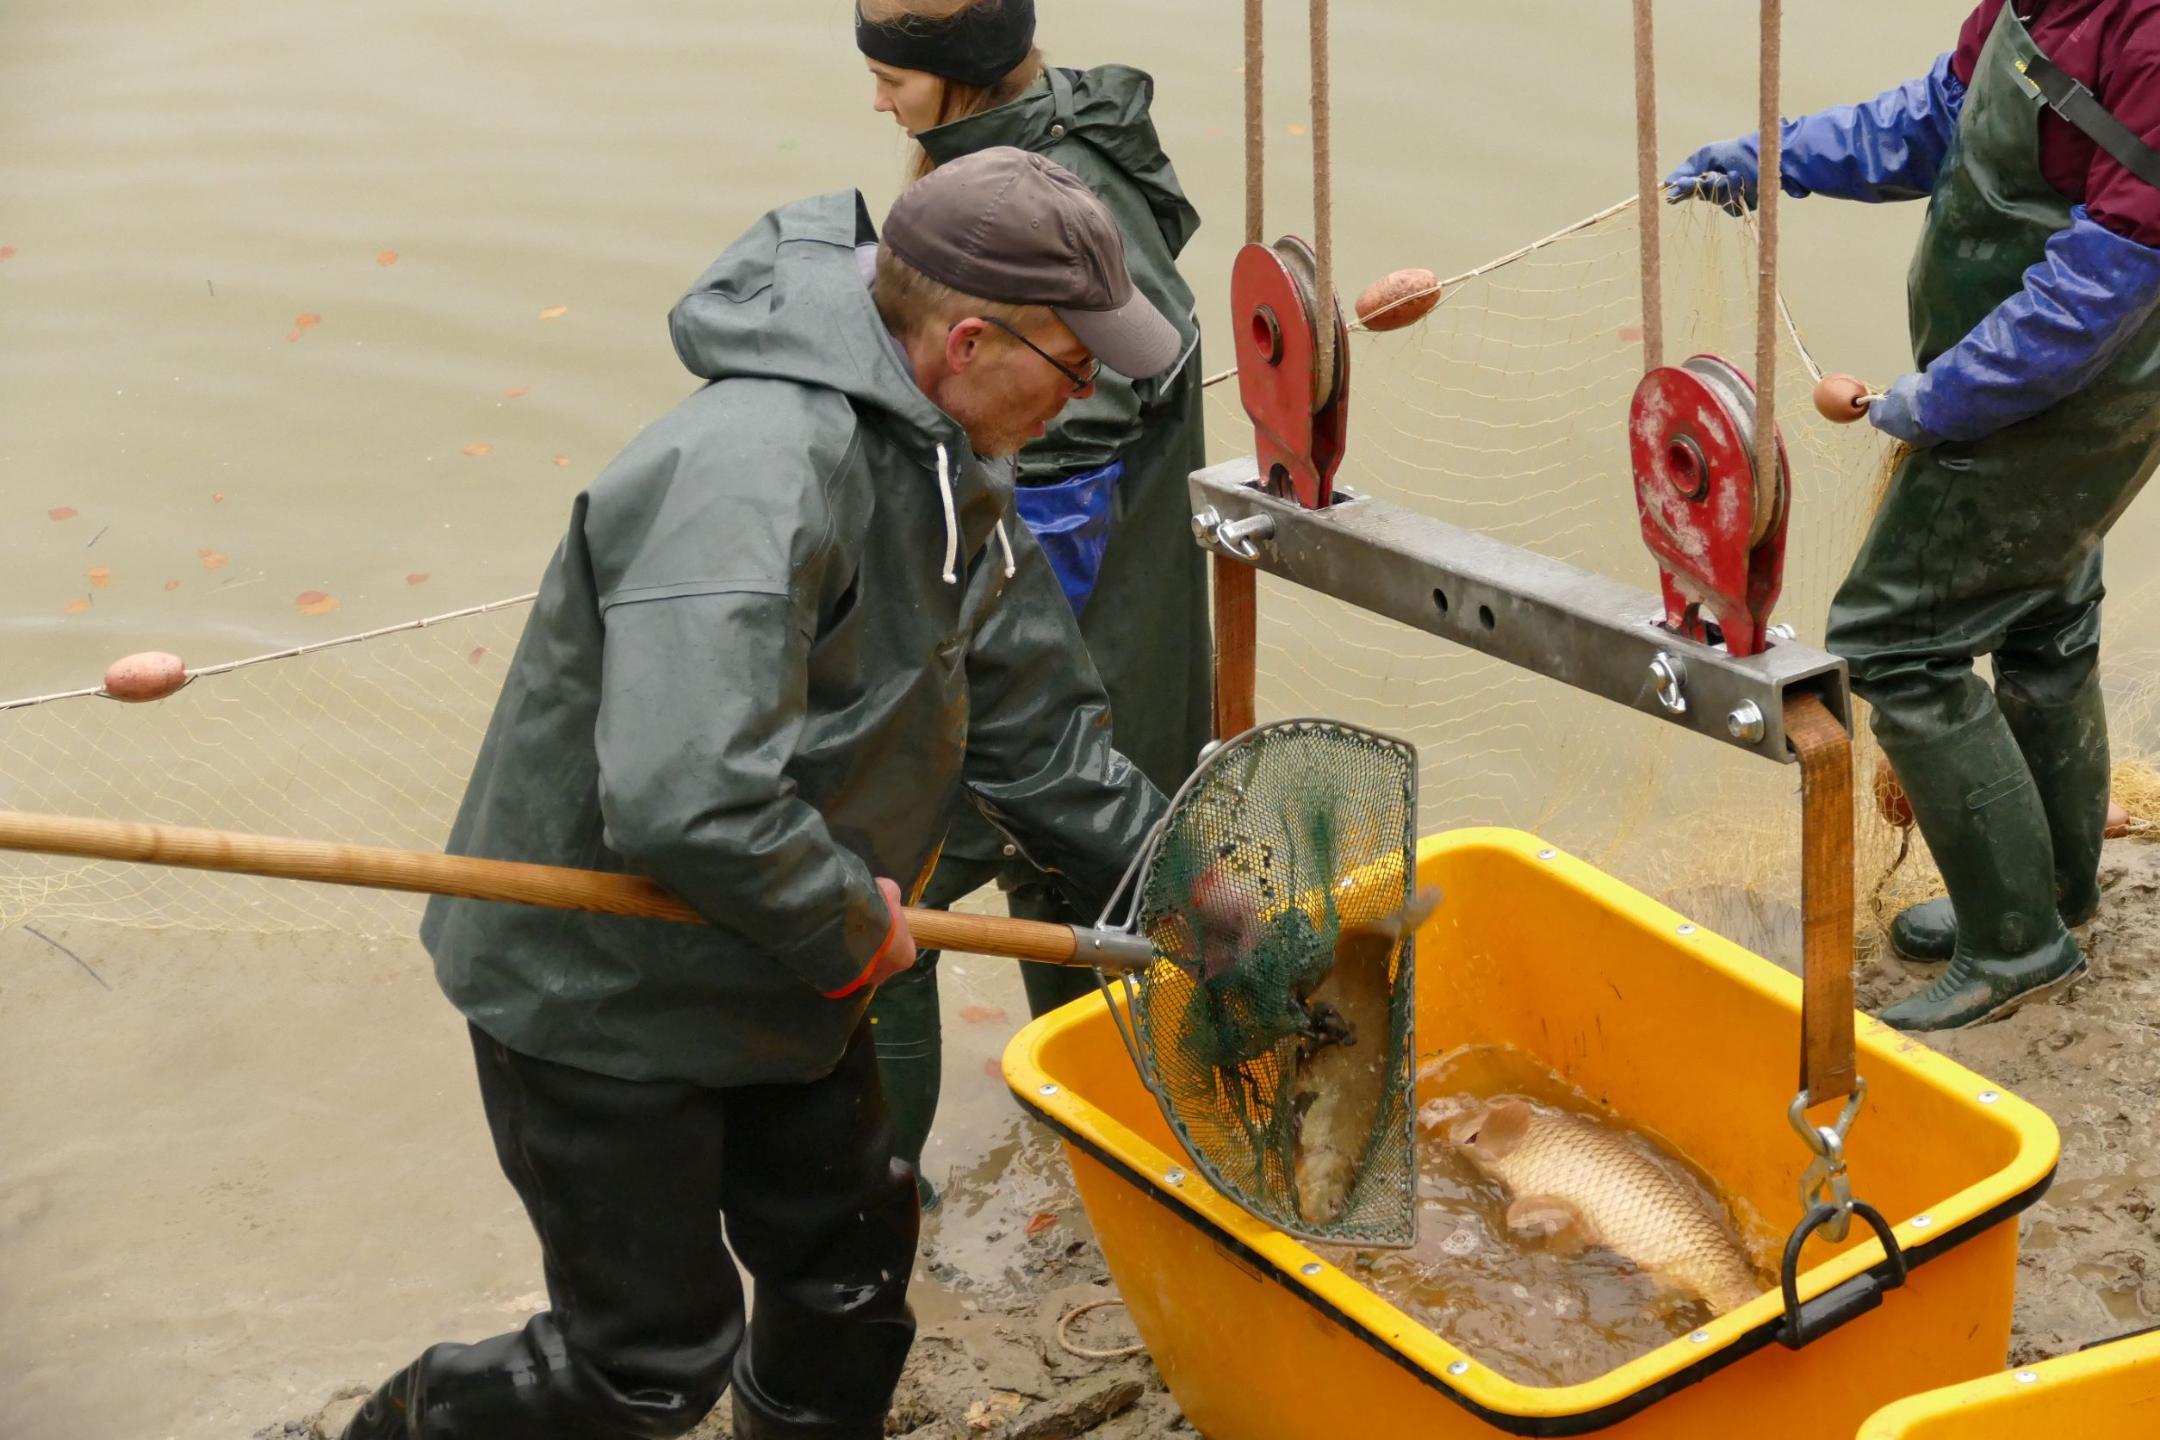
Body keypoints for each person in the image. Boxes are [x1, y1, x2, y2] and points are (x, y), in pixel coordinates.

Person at [339, 147, 1183, 1440]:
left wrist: (1192, 891)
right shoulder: (752, 473)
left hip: (793, 964)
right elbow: (686, 796)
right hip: (603, 990)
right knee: (644, 1365)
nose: (1081, 404)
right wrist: (853, 928)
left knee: (848, 1290)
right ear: (967, 339)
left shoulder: (959, 471)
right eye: (1074, 369)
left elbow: (1039, 735)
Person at [1667, 0, 2160, 1031]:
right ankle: (2051, 893)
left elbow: (2109, 276)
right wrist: (1775, 156)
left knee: (1895, 642)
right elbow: (1939, 116)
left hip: (2072, 392)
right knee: (2046, 618)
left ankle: (2016, 943)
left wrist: (1939, 398)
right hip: (2043, 393)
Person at [856, 0, 1210, 1203]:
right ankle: (1100, 1150)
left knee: (886, 902)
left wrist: (956, 646)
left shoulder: (1025, 210)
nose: (876, 100)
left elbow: (1065, 463)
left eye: (891, 76)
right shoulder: (1075, 147)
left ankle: (884, 1200)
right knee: (1081, 879)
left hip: (1078, 647)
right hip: (1115, 645)